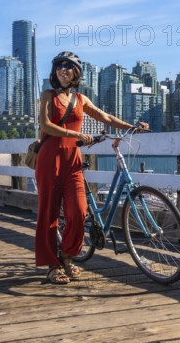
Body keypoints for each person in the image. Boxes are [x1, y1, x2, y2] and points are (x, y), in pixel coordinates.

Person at [35, 51, 149, 284]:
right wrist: (76, 134)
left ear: (76, 72)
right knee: (49, 214)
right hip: (49, 160)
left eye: (68, 66)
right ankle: (52, 265)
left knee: (79, 211)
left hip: (72, 162)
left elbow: (105, 117)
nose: (62, 69)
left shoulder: (80, 99)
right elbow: (45, 124)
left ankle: (67, 254)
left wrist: (132, 127)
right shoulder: (48, 95)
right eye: (58, 66)